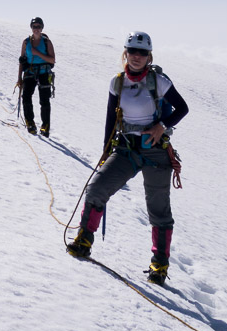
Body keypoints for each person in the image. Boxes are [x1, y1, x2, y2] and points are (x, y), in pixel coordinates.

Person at [67, 31, 189, 283]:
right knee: (96, 188)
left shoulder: (159, 81)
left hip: (155, 150)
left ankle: (159, 265)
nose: (136, 56)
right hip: (126, 148)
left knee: (158, 209)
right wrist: (105, 151)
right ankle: (84, 240)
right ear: (125, 52)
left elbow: (182, 108)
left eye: (142, 53)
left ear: (149, 56)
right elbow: (111, 118)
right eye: (132, 51)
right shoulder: (117, 82)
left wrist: (161, 126)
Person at [16, 17, 55, 136]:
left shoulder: (47, 42)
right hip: (30, 71)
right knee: (26, 96)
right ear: (31, 28)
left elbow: (52, 60)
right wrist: (19, 78)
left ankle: (45, 125)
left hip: (44, 72)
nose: (36, 29)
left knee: (44, 100)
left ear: (42, 28)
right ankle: (30, 122)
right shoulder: (26, 42)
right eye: (34, 27)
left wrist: (37, 53)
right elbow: (22, 60)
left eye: (38, 27)